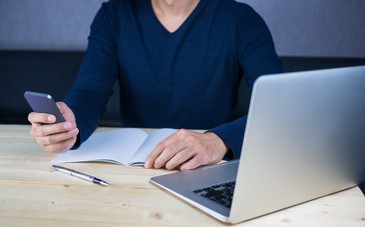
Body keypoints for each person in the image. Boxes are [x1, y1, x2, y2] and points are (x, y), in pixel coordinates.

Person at [28, 0, 283, 170]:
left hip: (208, 164)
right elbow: (90, 92)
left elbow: (278, 107)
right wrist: (69, 123)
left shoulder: (241, 20)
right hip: (135, 167)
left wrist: (218, 141)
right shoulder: (114, 14)